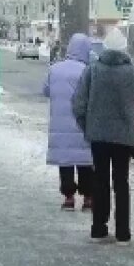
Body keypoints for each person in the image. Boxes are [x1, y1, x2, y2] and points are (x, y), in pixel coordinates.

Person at [73, 27, 134, 244]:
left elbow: (78, 104)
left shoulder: (92, 71)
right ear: (124, 50)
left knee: (100, 179)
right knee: (121, 182)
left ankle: (98, 227)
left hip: (98, 136)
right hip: (124, 137)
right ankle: (123, 231)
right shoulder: (133, 74)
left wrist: (88, 126)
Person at [43, 34, 94, 211]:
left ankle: (68, 198)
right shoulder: (87, 70)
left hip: (60, 125)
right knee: (85, 161)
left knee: (65, 162)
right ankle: (88, 198)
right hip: (82, 124)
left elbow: (46, 91)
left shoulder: (54, 69)